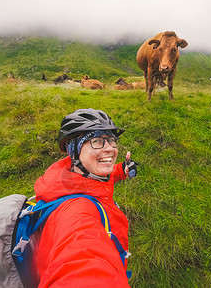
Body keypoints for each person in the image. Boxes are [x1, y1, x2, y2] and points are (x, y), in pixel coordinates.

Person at [34, 108, 137, 287]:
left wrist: (122, 170)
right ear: (73, 150)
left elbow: (103, 177)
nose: (110, 149)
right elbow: (82, 265)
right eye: (97, 141)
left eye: (112, 141)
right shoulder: (78, 214)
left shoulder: (74, 177)